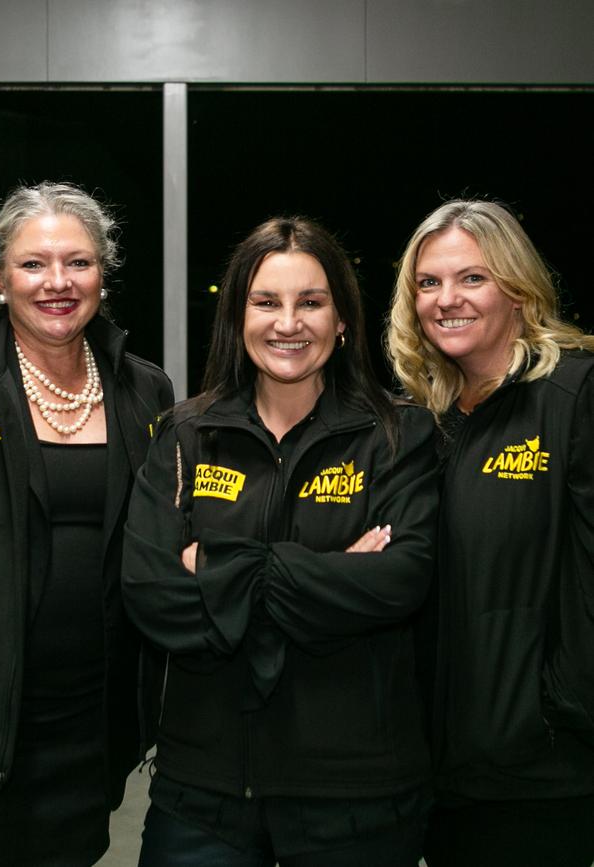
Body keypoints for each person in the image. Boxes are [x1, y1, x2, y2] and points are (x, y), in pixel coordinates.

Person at [122, 215, 438, 867]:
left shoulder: (399, 435)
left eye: (311, 302)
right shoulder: (185, 433)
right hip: (202, 797)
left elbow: (401, 580)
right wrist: (330, 574)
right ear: (238, 316)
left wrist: (215, 569)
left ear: (343, 318)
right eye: (266, 301)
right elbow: (152, 592)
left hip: (358, 799)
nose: (287, 322)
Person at [0, 181, 174, 867]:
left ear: (103, 272)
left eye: (78, 261)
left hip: (90, 732)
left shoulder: (145, 390)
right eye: (33, 263)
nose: (57, 282)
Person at [386, 199, 594, 867]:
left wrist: (556, 713)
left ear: (518, 288)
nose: (447, 299)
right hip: (440, 776)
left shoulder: (575, 394)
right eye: (428, 282)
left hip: (545, 775)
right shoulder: (424, 422)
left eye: (472, 278)